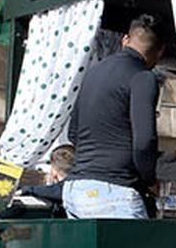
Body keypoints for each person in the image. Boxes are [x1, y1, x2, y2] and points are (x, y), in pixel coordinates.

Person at [64, 13, 165, 219]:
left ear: (125, 40)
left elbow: (72, 133)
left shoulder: (92, 73)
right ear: (160, 51)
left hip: (75, 189)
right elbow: (144, 141)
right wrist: (149, 179)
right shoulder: (143, 78)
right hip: (115, 191)